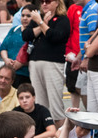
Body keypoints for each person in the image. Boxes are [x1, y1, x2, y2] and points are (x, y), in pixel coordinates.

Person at [22, 0, 70, 128]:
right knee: (40, 102)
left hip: (53, 63)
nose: (44, 4)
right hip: (35, 62)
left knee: (55, 102)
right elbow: (26, 35)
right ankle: (44, 134)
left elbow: (55, 37)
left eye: (48, 1)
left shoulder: (62, 19)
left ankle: (61, 137)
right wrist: (41, 23)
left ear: (57, 3)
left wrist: (42, 23)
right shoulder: (38, 18)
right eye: (42, 1)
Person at [0, 4, 37, 88]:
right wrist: (6, 59)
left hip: (26, 74)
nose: (25, 18)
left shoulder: (36, 33)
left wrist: (22, 63)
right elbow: (3, 47)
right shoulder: (14, 30)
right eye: (23, 15)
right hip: (9, 73)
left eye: (28, 16)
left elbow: (37, 55)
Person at [71, 0, 98, 109]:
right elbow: (87, 39)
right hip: (86, 57)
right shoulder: (88, 9)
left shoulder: (92, 10)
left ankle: (93, 120)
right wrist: (79, 57)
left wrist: (87, 58)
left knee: (87, 92)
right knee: (80, 89)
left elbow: (94, 37)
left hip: (91, 59)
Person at [65, 0, 83, 108]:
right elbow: (68, 31)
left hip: (90, 56)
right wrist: (68, 52)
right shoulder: (73, 8)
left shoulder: (96, 7)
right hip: (74, 56)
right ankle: (75, 118)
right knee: (73, 88)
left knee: (87, 90)